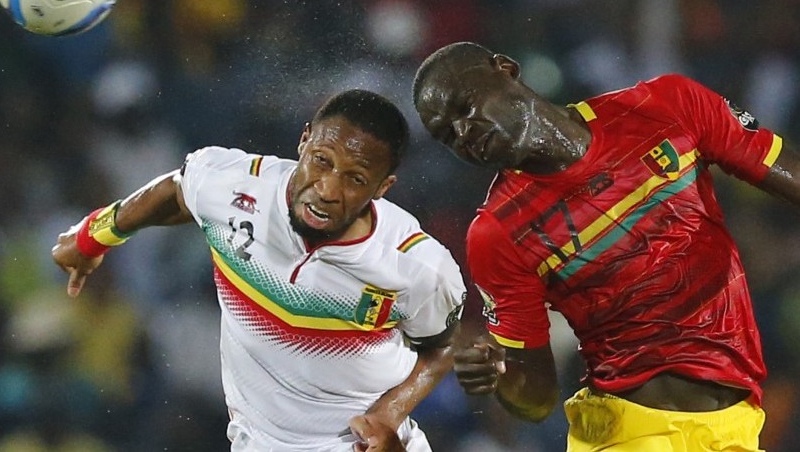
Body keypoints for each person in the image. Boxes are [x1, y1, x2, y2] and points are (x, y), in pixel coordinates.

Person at [411, 41, 800, 451]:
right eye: (446, 136)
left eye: (464, 107)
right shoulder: (496, 234)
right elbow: (537, 398)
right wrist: (501, 376)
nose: (462, 133)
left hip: (737, 425)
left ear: (505, 68)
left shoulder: (666, 105)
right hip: (627, 434)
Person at [52, 89, 467, 452]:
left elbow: (444, 347)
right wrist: (94, 235)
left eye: (355, 179)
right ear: (304, 141)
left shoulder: (416, 266)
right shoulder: (235, 185)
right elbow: (178, 192)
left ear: (383, 187)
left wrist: (390, 414)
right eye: (322, 161)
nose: (328, 189)